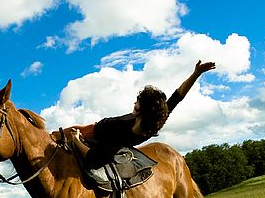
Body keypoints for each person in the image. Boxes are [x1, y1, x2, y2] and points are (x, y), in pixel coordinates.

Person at [69, 60, 216, 168]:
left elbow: (92, 158)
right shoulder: (155, 119)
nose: (134, 104)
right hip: (93, 129)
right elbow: (178, 95)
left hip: (90, 135)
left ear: (143, 109)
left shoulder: (121, 136)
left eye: (137, 102)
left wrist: (76, 140)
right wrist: (196, 74)